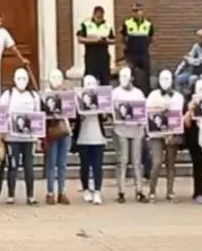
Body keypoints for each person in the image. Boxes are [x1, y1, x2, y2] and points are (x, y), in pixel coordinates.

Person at [0, 67, 40, 205]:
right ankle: (11, 194)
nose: (21, 81)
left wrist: (38, 136)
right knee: (13, 165)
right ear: (14, 79)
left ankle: (30, 195)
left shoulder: (34, 96)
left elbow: (38, 116)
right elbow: (1, 114)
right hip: (12, 138)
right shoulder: (8, 95)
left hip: (29, 139)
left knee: (29, 165)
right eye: (18, 78)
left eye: (24, 78)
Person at [112, 65, 147, 203]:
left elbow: (142, 111)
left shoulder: (138, 93)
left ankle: (139, 190)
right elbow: (111, 110)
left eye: (126, 76)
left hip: (136, 130)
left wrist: (143, 127)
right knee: (123, 160)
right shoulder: (115, 93)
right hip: (121, 129)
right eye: (121, 76)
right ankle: (121, 191)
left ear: (132, 78)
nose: (124, 79)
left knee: (137, 161)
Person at [146, 69, 182, 202]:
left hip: (172, 134)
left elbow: (178, 117)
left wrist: (172, 133)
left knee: (170, 164)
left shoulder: (178, 97)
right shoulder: (153, 95)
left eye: (167, 79)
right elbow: (147, 112)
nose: (164, 82)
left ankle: (170, 191)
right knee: (156, 162)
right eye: (162, 79)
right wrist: (159, 109)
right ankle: (152, 191)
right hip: (156, 135)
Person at [73, 74, 108, 204]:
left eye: (92, 84)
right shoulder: (78, 99)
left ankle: (97, 191)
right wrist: (79, 115)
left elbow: (105, 118)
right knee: (85, 165)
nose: (90, 87)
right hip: (83, 136)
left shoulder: (102, 98)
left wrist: (103, 112)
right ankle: (86, 189)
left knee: (98, 165)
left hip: (98, 136)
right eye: (87, 84)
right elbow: (74, 118)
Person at [43, 69, 71, 205]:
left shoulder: (67, 94)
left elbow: (73, 113)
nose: (56, 79)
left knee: (62, 163)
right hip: (52, 131)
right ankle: (50, 192)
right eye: (53, 77)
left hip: (65, 130)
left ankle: (62, 192)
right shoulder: (45, 95)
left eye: (59, 77)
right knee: (51, 163)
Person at [76, 6, 113, 86]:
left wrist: (105, 40)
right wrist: (95, 40)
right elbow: (80, 39)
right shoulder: (85, 24)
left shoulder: (108, 25)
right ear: (93, 14)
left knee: (105, 78)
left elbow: (113, 40)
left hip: (103, 55)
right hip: (91, 55)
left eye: (101, 17)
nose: (99, 19)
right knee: (90, 77)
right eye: (97, 17)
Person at [119, 1, 154, 77]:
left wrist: (146, 46)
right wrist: (125, 48)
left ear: (142, 11)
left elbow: (151, 38)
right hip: (131, 55)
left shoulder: (148, 24)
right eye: (133, 11)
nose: (135, 13)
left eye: (137, 10)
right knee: (131, 76)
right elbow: (122, 37)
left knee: (145, 75)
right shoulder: (127, 23)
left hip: (143, 54)